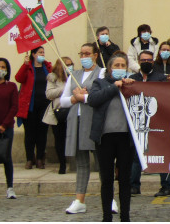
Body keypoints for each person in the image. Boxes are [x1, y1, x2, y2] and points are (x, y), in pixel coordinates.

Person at [59, 43, 108, 214]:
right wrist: (75, 98)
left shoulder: (101, 72)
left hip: (94, 120)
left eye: (88, 53)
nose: (84, 57)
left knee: (102, 162)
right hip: (77, 120)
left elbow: (101, 94)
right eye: (82, 53)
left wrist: (84, 96)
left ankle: (109, 198)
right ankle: (79, 199)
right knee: (81, 162)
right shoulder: (74, 74)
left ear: (95, 55)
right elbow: (62, 100)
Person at [88, 52, 135, 222]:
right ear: (109, 69)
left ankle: (125, 216)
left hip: (125, 138)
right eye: (117, 66)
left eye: (123, 66)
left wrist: (130, 86)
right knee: (106, 179)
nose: (120, 69)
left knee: (125, 179)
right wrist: (114, 86)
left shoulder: (131, 84)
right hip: (105, 138)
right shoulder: (99, 83)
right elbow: (93, 100)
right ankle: (106, 216)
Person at [129, 51, 166, 197]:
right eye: (143, 59)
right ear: (138, 61)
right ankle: (134, 185)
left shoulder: (160, 78)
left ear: (153, 61)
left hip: (157, 121)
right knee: (136, 155)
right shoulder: (132, 78)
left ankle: (166, 185)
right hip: (137, 123)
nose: (146, 62)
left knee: (161, 154)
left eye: (149, 60)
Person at [15, 46, 52, 169]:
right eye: (40, 52)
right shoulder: (28, 67)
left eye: (43, 52)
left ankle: (40, 158)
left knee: (42, 133)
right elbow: (19, 78)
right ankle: (30, 158)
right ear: (33, 54)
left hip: (44, 106)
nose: (42, 54)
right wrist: (25, 65)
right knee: (30, 134)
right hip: (29, 107)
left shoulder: (47, 67)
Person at [0, 57, 18, 199]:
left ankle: (10, 187)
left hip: (6, 127)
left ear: (7, 70)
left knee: (6, 158)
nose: (0, 69)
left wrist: (3, 125)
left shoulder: (11, 86)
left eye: (3, 67)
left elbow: (14, 107)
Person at [42, 57, 74, 174]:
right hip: (58, 112)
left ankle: (73, 161)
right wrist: (64, 89)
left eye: (71, 64)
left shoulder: (74, 77)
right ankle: (62, 163)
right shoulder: (53, 78)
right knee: (59, 139)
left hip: (71, 111)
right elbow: (49, 94)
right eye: (67, 64)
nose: (70, 66)